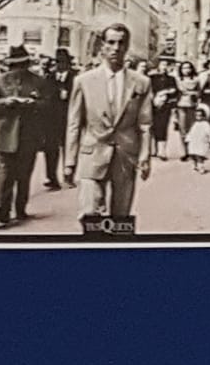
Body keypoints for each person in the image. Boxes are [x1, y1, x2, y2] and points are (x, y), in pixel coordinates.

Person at [64, 25, 154, 221]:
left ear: (127, 46)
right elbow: (74, 124)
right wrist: (70, 161)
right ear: (102, 46)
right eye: (111, 42)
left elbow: (145, 124)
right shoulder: (83, 81)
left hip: (125, 155)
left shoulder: (141, 82)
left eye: (121, 43)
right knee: (89, 214)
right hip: (92, 153)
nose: (116, 48)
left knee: (121, 218)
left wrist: (145, 156)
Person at [0, 46, 41, 227]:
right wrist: (5, 102)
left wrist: (34, 103)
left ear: (27, 64)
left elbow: (48, 105)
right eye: (15, 65)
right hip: (5, 133)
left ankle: (20, 209)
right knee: (5, 174)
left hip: (29, 133)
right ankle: (2, 210)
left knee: (24, 175)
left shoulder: (38, 81)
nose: (18, 69)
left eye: (21, 65)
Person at [39, 50, 75, 190]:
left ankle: (69, 177)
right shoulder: (49, 78)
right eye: (57, 62)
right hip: (51, 120)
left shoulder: (74, 78)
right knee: (50, 149)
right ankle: (51, 177)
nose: (59, 65)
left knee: (69, 148)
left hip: (69, 119)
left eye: (62, 62)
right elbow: (44, 97)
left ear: (68, 63)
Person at [148, 55, 180, 162]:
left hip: (165, 105)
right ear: (158, 65)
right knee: (152, 126)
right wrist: (154, 99)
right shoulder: (152, 78)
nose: (164, 67)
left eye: (166, 65)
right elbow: (148, 89)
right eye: (162, 64)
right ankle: (153, 149)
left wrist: (165, 93)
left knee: (163, 126)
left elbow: (175, 91)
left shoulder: (171, 79)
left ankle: (162, 151)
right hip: (152, 105)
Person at [173, 61, 202, 161]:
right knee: (183, 129)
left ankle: (192, 151)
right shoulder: (177, 80)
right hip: (181, 105)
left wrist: (194, 94)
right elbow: (176, 92)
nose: (186, 70)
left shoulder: (196, 79)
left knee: (192, 129)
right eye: (184, 68)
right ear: (181, 69)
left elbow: (199, 92)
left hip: (192, 106)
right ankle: (185, 152)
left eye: (188, 68)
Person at [186, 106, 210, 173]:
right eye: (197, 115)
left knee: (199, 155)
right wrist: (188, 138)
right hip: (194, 142)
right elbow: (191, 132)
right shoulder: (195, 124)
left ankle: (201, 167)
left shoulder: (206, 124)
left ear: (203, 116)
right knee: (193, 154)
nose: (198, 117)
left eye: (200, 115)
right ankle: (195, 166)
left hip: (202, 142)